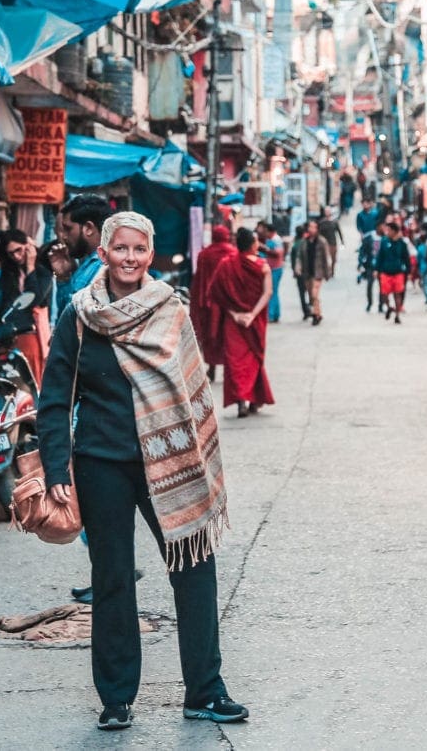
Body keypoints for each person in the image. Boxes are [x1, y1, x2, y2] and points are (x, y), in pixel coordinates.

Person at [38, 211, 247, 730]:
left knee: (195, 570)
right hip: (101, 464)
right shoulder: (80, 316)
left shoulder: (170, 310)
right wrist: (56, 464)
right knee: (112, 580)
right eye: (120, 248)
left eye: (139, 249)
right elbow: (55, 395)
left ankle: (205, 690)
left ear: (150, 255)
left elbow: (192, 388)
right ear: (104, 252)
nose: (129, 257)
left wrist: (198, 454)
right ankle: (115, 698)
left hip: (171, 462)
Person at [209, 228, 275, 418]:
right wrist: (253, 315)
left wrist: (235, 313)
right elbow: (267, 293)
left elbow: (216, 293)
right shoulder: (262, 265)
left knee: (235, 361)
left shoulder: (226, 264)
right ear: (252, 244)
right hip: (255, 321)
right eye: (256, 241)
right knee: (253, 359)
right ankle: (252, 399)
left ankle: (242, 401)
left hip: (234, 321)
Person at [0, 227, 52, 386]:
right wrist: (7, 236)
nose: (17, 256)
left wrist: (30, 267)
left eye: (19, 250)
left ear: (28, 246)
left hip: (29, 333)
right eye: (11, 253)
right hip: (5, 334)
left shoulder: (43, 269)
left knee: (32, 383)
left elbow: (34, 298)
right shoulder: (8, 263)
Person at [49, 194, 112, 318]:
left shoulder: (103, 266)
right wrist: (63, 277)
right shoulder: (87, 264)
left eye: (68, 229)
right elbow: (65, 316)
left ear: (88, 228)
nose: (64, 237)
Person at [189, 225, 237, 380]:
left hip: (209, 303)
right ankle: (229, 369)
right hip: (228, 303)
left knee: (211, 335)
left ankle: (212, 367)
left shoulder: (204, 254)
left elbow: (199, 280)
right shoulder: (233, 253)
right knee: (228, 336)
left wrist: (196, 301)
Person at [295, 220, 332, 326]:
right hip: (307, 272)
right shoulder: (304, 242)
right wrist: (298, 268)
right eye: (310, 227)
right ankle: (318, 313)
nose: (312, 229)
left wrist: (328, 272)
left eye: (314, 227)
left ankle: (316, 315)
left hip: (318, 272)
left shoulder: (322, 241)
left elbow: (327, 257)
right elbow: (299, 257)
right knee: (311, 295)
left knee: (315, 293)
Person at [376, 221, 410, 324]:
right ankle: (389, 307)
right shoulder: (384, 241)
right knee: (384, 294)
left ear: (395, 231)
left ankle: (397, 315)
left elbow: (406, 258)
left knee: (397, 294)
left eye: (389, 230)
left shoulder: (402, 244)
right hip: (385, 272)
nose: (387, 232)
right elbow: (380, 256)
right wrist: (377, 269)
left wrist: (408, 272)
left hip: (398, 272)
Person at [256, 221, 285, 323]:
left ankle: (272, 314)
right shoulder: (271, 239)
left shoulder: (275, 240)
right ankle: (275, 314)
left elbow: (277, 254)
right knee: (274, 292)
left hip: (275, 268)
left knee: (272, 292)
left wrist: (265, 249)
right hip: (274, 268)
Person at [289, 225, 311, 320]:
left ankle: (306, 310)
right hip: (307, 271)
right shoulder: (305, 243)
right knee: (310, 291)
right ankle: (310, 309)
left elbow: (292, 260)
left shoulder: (295, 245)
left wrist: (294, 270)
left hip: (299, 272)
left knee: (302, 292)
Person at [318, 207, 345, 278]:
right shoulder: (321, 222)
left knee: (333, 259)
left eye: (328, 211)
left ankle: (332, 271)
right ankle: (327, 271)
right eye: (326, 211)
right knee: (325, 259)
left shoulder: (335, 222)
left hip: (333, 243)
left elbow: (339, 232)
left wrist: (342, 242)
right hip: (325, 244)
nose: (327, 213)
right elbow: (318, 233)